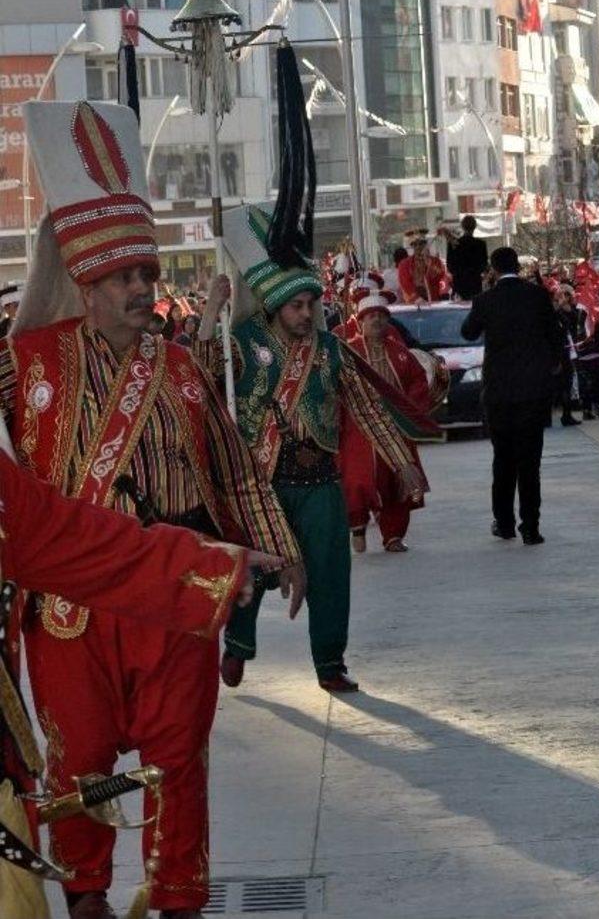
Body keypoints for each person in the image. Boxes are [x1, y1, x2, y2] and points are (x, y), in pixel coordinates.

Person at [1, 100, 301, 919]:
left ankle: (176, 901)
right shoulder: (25, 361)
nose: (141, 289)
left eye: (146, 275)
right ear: (84, 285)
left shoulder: (180, 370)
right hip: (70, 600)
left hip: (176, 591)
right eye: (123, 278)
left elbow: (234, 472)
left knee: (179, 756)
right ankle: (87, 899)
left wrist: (279, 545)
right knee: (80, 762)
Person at [196, 203, 428, 694]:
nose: (306, 314)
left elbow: (367, 408)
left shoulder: (329, 350)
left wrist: (401, 462)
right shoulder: (242, 341)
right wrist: (209, 316)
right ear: (274, 306)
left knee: (330, 575)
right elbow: (198, 377)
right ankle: (238, 647)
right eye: (296, 306)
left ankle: (329, 663)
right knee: (254, 575)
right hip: (263, 481)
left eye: (310, 305)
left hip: (321, 480)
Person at [461, 247, 563, 545]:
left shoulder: (485, 300)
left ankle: (504, 523)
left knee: (503, 460)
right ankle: (531, 527)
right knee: (530, 462)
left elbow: (468, 332)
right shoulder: (537, 295)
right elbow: (554, 334)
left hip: (499, 394)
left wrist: (482, 304)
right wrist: (552, 366)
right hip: (533, 392)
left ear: (492, 269)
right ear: (517, 266)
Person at [339, 290, 432, 553]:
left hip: (395, 428)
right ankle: (357, 525)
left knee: (397, 481)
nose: (377, 321)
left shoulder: (401, 352)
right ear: (361, 322)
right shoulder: (348, 353)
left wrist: (407, 407)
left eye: (381, 316)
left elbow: (418, 382)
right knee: (357, 481)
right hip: (359, 429)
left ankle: (393, 535)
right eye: (371, 317)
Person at [554, 284, 582, 427]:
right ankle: (565, 414)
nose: (567, 297)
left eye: (568, 295)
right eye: (564, 295)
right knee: (564, 383)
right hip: (561, 351)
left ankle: (567, 413)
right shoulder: (557, 313)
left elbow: (576, 323)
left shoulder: (572, 311)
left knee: (568, 382)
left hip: (570, 350)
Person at [445, 215, 488, 300]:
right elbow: (484, 265)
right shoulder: (480, 244)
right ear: (475, 227)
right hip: (475, 284)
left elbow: (450, 266)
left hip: (459, 284)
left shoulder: (454, 244)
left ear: (462, 227)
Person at [398, 232, 446, 303]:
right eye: (415, 244)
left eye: (421, 244)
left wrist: (428, 262)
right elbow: (405, 283)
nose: (418, 247)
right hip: (413, 302)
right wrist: (416, 298)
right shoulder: (404, 264)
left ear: (425, 245)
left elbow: (440, 275)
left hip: (433, 299)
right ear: (412, 246)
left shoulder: (435, 261)